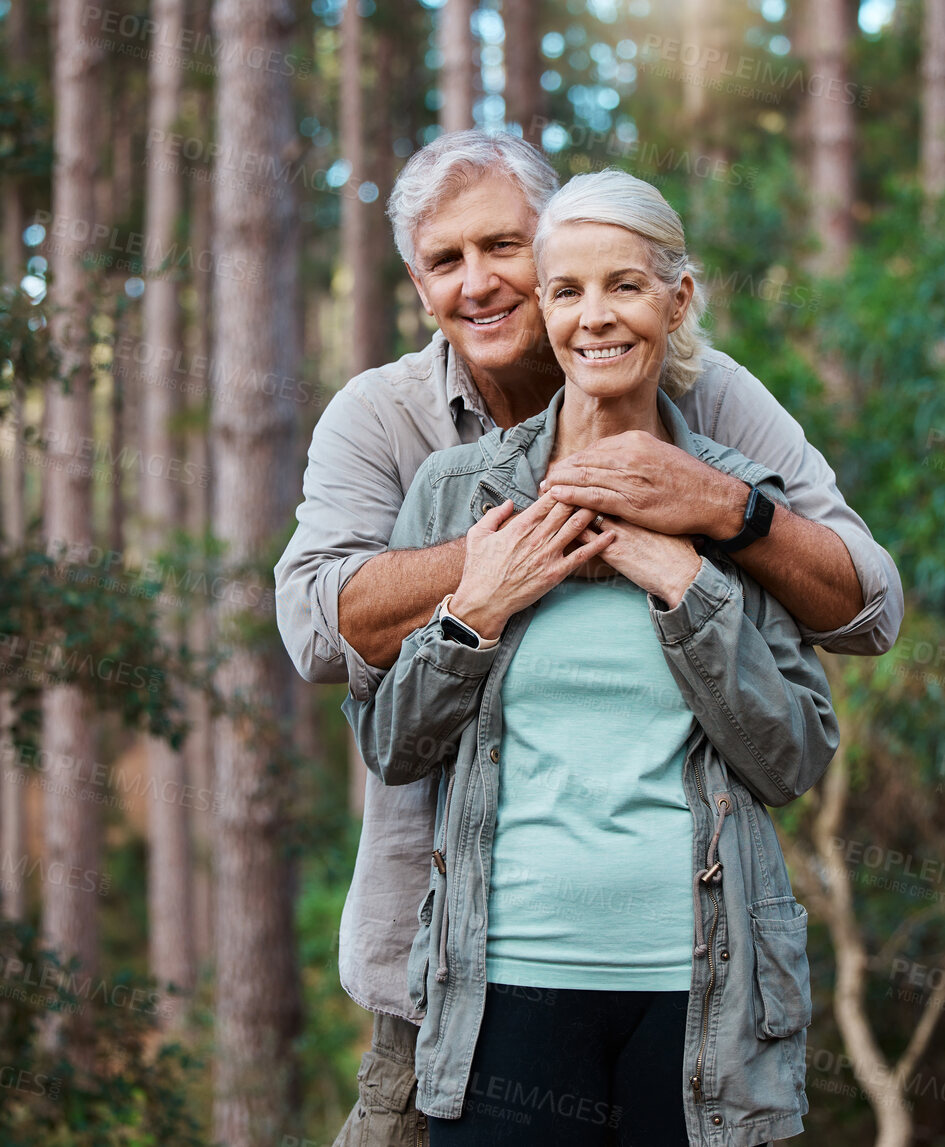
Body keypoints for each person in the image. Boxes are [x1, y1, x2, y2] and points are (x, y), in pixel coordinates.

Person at [273, 130, 902, 1147]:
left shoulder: (713, 407)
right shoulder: (391, 429)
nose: (480, 283)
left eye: (504, 248)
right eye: (445, 261)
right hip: (449, 969)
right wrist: (499, 563)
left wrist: (718, 515)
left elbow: (863, 613)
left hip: (697, 980)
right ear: (417, 285)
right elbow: (317, 630)